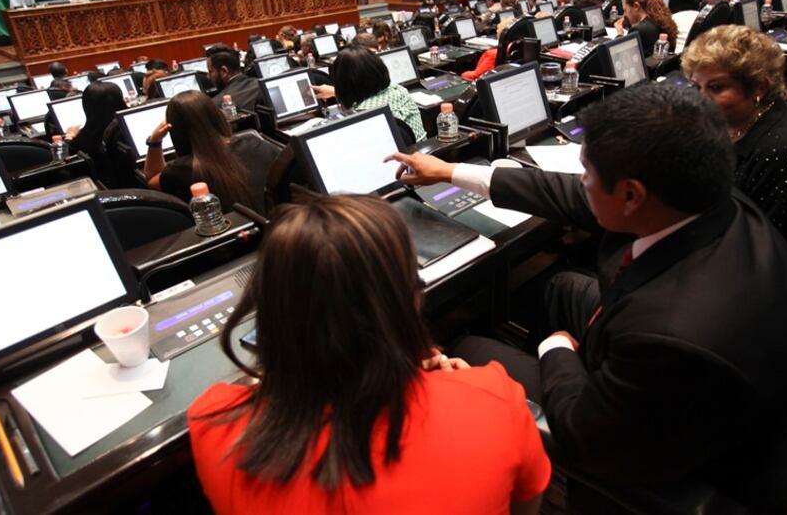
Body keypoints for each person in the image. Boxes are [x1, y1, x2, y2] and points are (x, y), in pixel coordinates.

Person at [385, 83, 787, 508]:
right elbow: (571, 195)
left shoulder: (669, 335)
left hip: (651, 446)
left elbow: (581, 435)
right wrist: (450, 172)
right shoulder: (709, 196)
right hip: (668, 356)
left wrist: (556, 350)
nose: (581, 182)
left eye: (586, 174)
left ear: (631, 195)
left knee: (468, 348)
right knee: (561, 286)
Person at [188, 195, 550, 515]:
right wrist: (447, 385)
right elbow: (525, 504)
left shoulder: (212, 423)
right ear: (409, 300)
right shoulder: (494, 398)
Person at [682, 25, 787, 276]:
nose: (700, 99)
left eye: (716, 88)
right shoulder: (740, 120)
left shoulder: (785, 156)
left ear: (759, 88)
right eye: (696, 87)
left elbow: (772, 260)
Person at [143, 90, 265, 210]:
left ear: (176, 131)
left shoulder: (180, 170)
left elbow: (151, 179)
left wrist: (155, 141)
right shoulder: (255, 142)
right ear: (218, 115)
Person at [313, 46, 425, 142]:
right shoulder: (399, 90)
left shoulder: (363, 117)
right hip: (422, 155)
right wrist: (335, 91)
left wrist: (340, 92)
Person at [64, 81, 133, 189]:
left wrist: (69, 137)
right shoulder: (129, 124)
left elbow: (70, 163)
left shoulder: (83, 140)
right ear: (121, 101)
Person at [614, 0, 678, 53]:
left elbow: (622, 54)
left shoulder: (638, 30)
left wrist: (620, 35)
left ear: (636, 6)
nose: (624, 15)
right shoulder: (656, 19)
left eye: (625, 10)